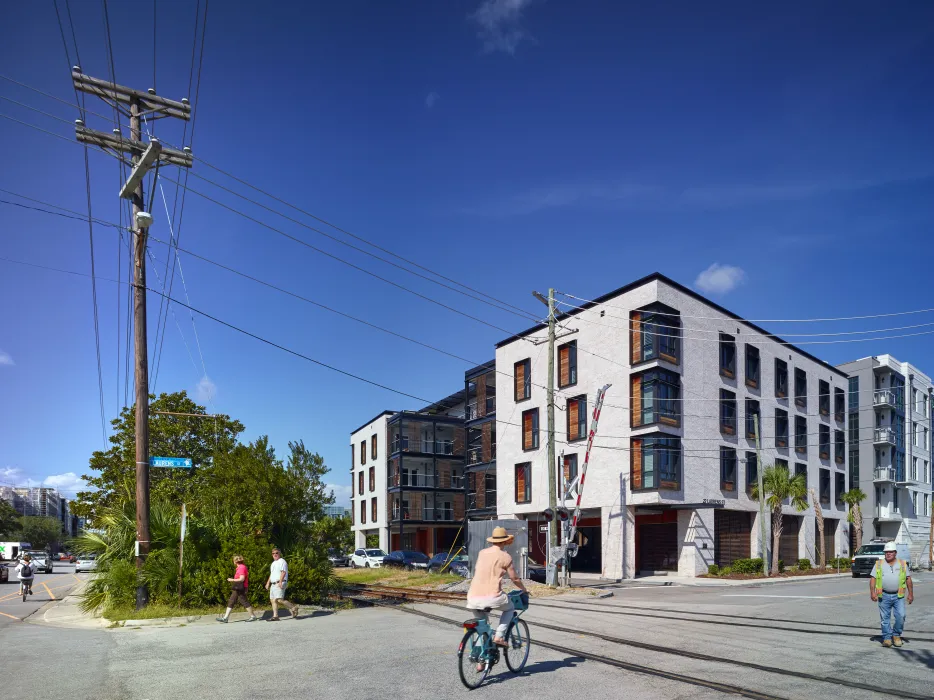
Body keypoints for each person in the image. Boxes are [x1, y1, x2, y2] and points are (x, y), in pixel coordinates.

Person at [466, 527, 528, 669]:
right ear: (505, 541)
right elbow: (514, 578)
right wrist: (524, 589)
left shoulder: (482, 553)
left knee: (482, 626)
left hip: (473, 596)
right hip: (492, 596)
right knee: (510, 608)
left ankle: (481, 662)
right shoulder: (505, 556)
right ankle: (499, 636)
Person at [870, 541, 914, 648]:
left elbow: (908, 579)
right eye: (886, 552)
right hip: (883, 595)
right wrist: (872, 593)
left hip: (898, 596)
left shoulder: (903, 564)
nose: (888, 554)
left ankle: (896, 635)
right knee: (885, 618)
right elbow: (873, 579)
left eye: (890, 552)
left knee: (901, 616)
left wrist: (911, 594)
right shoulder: (879, 564)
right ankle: (887, 638)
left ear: (895, 553)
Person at [217, 555, 258, 623]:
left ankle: (253, 616)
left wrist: (232, 580)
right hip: (238, 587)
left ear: (235, 561)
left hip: (240, 587)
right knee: (232, 601)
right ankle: (225, 618)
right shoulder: (241, 567)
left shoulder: (241, 568)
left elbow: (242, 579)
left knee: (243, 601)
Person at [264, 548, 299, 621]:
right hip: (273, 584)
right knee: (273, 600)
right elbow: (272, 574)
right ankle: (275, 616)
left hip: (280, 582)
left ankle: (293, 608)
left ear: (279, 554)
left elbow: (283, 572)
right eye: (273, 553)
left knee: (279, 599)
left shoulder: (282, 561)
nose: (275, 554)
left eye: (276, 553)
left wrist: (280, 582)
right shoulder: (273, 563)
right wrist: (268, 583)